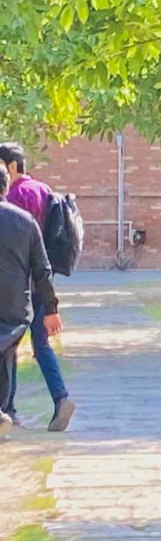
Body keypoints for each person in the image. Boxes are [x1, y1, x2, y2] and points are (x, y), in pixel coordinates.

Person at [0, 142, 75, 432]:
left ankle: (8, 409)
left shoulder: (17, 195)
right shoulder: (44, 191)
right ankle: (60, 398)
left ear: (12, 166)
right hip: (36, 286)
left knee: (9, 348)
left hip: (19, 286)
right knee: (34, 344)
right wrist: (52, 306)